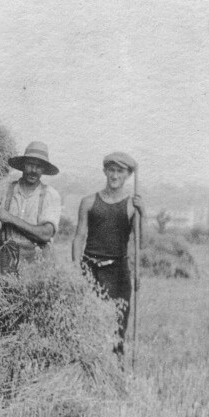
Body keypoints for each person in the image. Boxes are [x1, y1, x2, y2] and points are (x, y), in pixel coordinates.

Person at [72, 151, 143, 360]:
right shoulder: (88, 202)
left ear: (127, 175)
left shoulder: (132, 206)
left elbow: (141, 241)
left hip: (118, 272)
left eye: (120, 171)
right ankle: (87, 377)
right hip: (90, 270)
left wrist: (143, 213)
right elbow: (78, 238)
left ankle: (117, 378)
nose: (114, 175)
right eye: (111, 170)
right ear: (105, 171)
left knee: (117, 329)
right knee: (87, 327)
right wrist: (76, 271)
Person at [0, 140, 62, 274]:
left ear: (43, 170)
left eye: (38, 166)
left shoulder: (50, 195)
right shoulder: (5, 189)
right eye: (30, 165)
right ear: (23, 165)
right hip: (6, 261)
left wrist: (10, 218)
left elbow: (45, 234)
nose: (33, 171)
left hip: (37, 265)